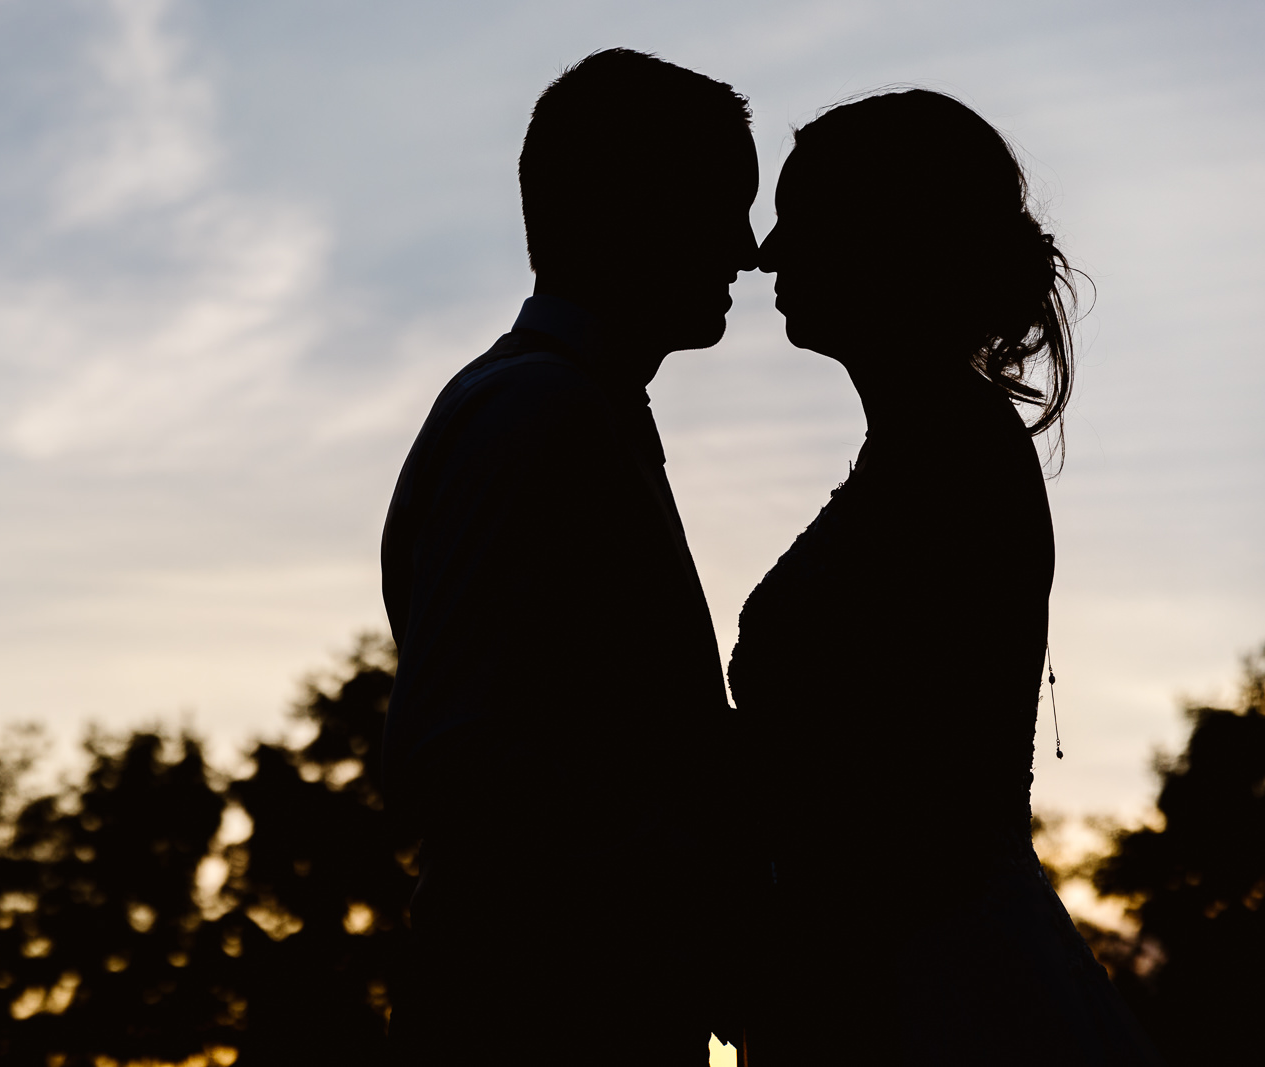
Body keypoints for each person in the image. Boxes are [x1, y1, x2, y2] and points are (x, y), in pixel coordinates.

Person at [729, 88, 1161, 1064]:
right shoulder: (930, 447)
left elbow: (913, 797)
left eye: (799, 221)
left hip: (926, 995)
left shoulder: (954, 461)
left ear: (883, 237)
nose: (765, 253)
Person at [380, 49, 759, 1066]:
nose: (748, 246)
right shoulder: (533, 415)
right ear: (633, 204)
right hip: (537, 1017)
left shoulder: (566, 406)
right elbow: (460, 751)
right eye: (725, 205)